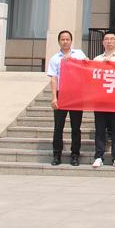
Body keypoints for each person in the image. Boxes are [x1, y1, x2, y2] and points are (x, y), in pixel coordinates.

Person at [46, 30, 87, 166]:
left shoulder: (79, 54)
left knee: (76, 127)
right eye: (62, 39)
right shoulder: (54, 58)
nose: (65, 41)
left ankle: (75, 155)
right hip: (61, 93)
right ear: (59, 41)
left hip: (76, 94)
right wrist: (54, 98)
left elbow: (87, 66)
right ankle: (57, 154)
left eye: (67, 39)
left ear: (71, 41)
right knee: (58, 127)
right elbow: (53, 79)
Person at [92, 31, 115, 168]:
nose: (109, 41)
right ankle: (99, 156)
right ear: (102, 42)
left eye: (112, 39)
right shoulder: (96, 60)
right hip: (100, 100)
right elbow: (92, 79)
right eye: (106, 39)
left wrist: (113, 65)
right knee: (100, 129)